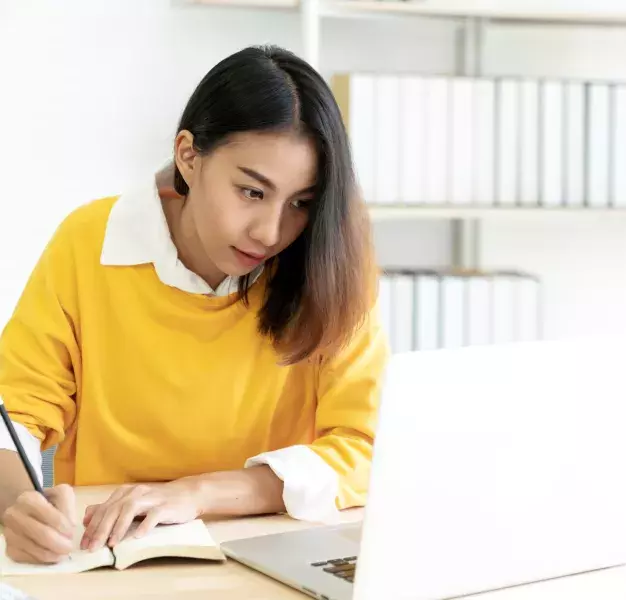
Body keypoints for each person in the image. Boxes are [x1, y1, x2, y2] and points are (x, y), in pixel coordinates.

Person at [0, 45, 387, 565]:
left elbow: (367, 448)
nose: (271, 232)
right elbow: (14, 412)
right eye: (252, 192)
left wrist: (197, 493)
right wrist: (18, 506)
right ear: (188, 154)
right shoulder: (89, 241)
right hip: (110, 554)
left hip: (280, 555)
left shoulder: (334, 265)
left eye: (301, 204)